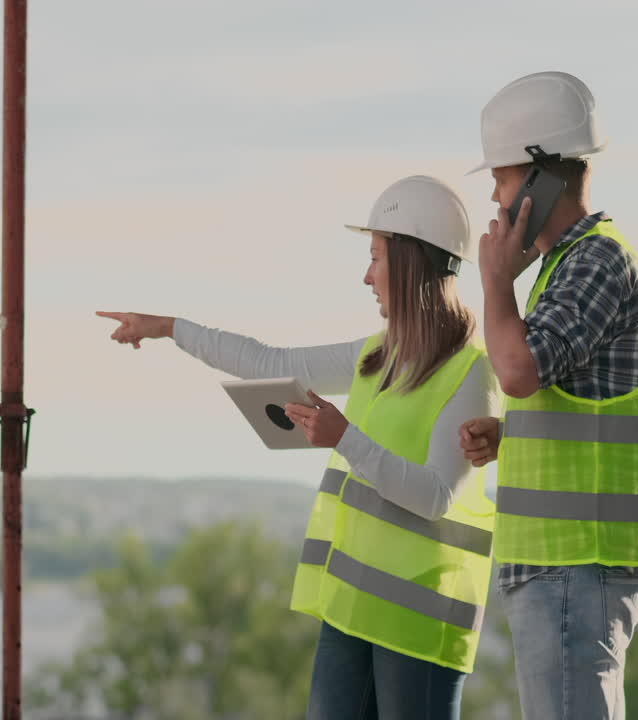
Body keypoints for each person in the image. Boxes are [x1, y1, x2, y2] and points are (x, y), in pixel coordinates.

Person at [97, 175, 498, 720]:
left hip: (418, 624)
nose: (366, 276)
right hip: (351, 608)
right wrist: (170, 327)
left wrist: (345, 438)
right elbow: (270, 362)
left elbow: (436, 497)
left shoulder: (472, 372)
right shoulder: (379, 355)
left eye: (376, 258)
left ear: (410, 262)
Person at [459, 71, 638, 720]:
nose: (494, 198)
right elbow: (560, 393)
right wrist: (513, 433)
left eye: (500, 177)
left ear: (541, 176)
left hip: (579, 559)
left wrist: (497, 283)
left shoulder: (595, 261)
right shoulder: (564, 266)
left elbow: (518, 370)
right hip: (561, 562)